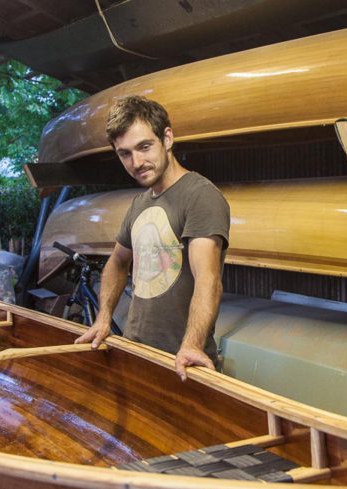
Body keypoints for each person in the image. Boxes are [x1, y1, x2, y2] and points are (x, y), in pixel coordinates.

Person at [75, 95, 230, 382]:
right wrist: (104, 317)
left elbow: (208, 279)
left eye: (144, 147)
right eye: (125, 153)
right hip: (137, 351)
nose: (137, 162)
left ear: (167, 138)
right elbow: (118, 261)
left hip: (182, 360)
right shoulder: (140, 203)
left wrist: (192, 345)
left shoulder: (200, 196)